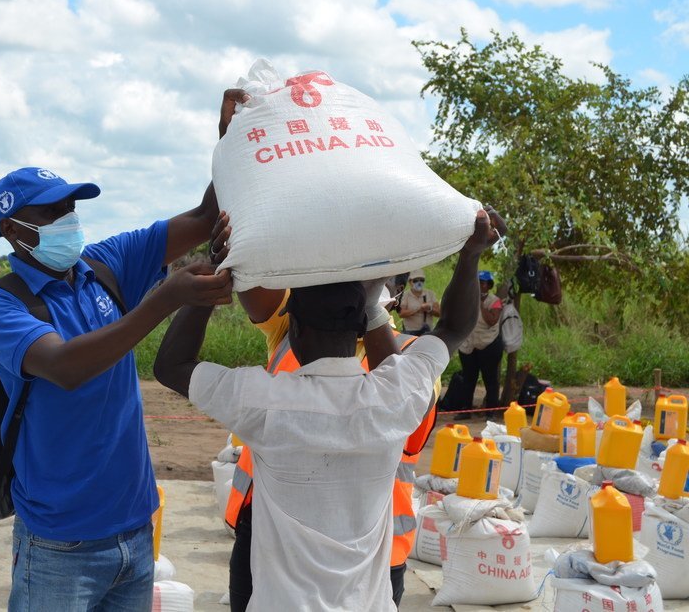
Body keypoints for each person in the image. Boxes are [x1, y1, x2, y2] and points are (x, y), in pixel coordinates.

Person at [154, 209, 505, 610]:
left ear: (296, 330)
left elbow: (171, 366)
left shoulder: (266, 402)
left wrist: (219, 270)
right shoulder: (396, 395)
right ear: (361, 329)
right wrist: (471, 252)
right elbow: (456, 327)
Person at [0, 99, 238, 609]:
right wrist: (166, 299)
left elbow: (204, 217)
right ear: (13, 231)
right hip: (58, 542)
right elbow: (65, 366)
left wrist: (232, 137)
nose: (67, 218)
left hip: (135, 528)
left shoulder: (106, 265)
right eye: (50, 211)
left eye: (70, 207)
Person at [444, 270, 504, 419]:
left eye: (483, 283)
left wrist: (480, 303)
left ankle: (491, 412)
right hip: (468, 344)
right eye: (478, 282)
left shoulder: (494, 301)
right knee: (468, 378)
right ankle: (466, 410)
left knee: (490, 379)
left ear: (489, 285)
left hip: (488, 344)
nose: (480, 286)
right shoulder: (465, 298)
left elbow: (492, 321)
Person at [396, 269, 440, 336]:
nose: (419, 283)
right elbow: (401, 314)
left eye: (421, 280)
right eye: (416, 280)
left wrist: (430, 309)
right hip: (409, 332)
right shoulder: (405, 295)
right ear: (410, 282)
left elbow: (439, 313)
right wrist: (418, 309)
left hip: (427, 331)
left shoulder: (430, 294)